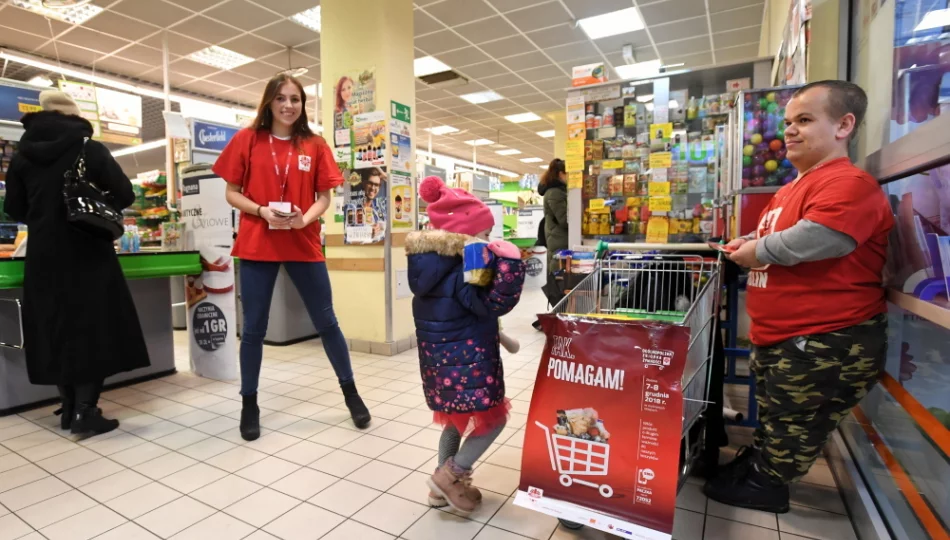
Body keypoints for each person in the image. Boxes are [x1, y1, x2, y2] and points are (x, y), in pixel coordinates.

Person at [704, 80, 894, 513]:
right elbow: (780, 233)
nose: (789, 131)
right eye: (788, 122)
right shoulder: (794, 187)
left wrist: (755, 251)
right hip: (786, 337)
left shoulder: (849, 183)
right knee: (778, 414)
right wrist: (749, 239)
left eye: (805, 120)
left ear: (845, 125)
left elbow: (822, 238)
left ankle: (767, 486)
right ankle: (764, 466)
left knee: (795, 423)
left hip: (825, 338)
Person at [213, 73, 370, 441]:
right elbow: (231, 193)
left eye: (295, 99)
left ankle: (351, 394)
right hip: (257, 242)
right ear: (269, 102)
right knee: (253, 328)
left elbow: (324, 198)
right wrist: (261, 210)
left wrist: (305, 219)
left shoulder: (314, 145)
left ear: (303, 104)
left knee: (327, 322)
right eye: (281, 98)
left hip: (303, 243)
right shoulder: (247, 140)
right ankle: (249, 403)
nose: (288, 105)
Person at [4, 91, 149, 435]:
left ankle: (68, 407)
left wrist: (44, 216)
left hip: (43, 255)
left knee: (54, 329)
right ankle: (86, 410)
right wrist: (93, 204)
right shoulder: (88, 148)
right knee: (92, 327)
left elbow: (14, 208)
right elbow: (125, 193)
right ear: (74, 116)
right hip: (88, 251)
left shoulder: (23, 155)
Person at [407, 176, 526, 513]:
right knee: (495, 420)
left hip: (442, 364)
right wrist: (511, 266)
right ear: (466, 234)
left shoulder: (429, 263)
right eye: (485, 234)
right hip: (469, 360)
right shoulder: (469, 262)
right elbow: (490, 305)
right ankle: (451, 476)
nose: (489, 240)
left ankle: (439, 489)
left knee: (454, 420)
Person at [535, 158, 568, 330]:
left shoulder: (557, 191)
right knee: (557, 279)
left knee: (559, 280)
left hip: (558, 240)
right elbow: (564, 220)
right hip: (559, 241)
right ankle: (555, 319)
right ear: (561, 174)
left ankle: (557, 317)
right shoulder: (555, 192)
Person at [359, 167, 386, 241]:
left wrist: (386, 176)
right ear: (364, 183)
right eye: (370, 183)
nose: (373, 188)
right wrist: (367, 233)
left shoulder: (381, 206)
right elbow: (345, 237)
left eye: (376, 185)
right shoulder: (352, 207)